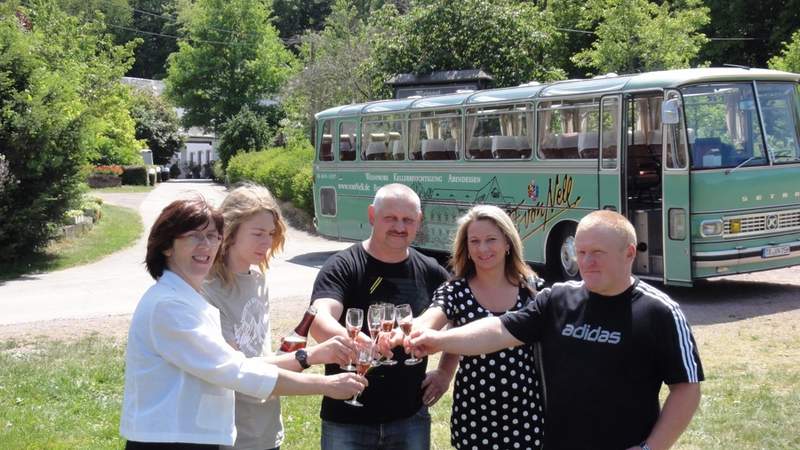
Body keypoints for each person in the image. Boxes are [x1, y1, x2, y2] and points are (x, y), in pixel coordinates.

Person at [409, 210, 704, 450]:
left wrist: (651, 448)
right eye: (581, 251)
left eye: (597, 253)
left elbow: (687, 387)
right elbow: (498, 330)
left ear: (629, 253)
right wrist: (437, 339)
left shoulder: (660, 311)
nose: (586, 262)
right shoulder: (557, 298)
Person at [120, 197, 367, 450]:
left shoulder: (187, 299)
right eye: (194, 236)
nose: (206, 245)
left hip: (194, 438)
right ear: (167, 246)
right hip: (167, 441)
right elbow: (236, 370)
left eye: (213, 236)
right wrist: (325, 383)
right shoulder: (169, 306)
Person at [203, 184, 357, 450]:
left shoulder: (258, 279)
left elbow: (255, 351)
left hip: (266, 427)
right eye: (258, 233)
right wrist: (311, 357)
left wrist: (285, 354)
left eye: (271, 233)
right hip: (229, 435)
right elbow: (236, 371)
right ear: (229, 231)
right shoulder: (208, 290)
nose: (267, 242)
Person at [308, 183, 452, 450]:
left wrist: (445, 372)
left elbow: (459, 320)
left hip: (410, 416)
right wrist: (355, 340)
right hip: (347, 418)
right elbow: (319, 319)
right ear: (372, 216)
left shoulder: (432, 271)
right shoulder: (343, 266)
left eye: (408, 220)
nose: (400, 226)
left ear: (419, 222)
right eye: (390, 218)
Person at [410, 205, 545, 450]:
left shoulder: (534, 290)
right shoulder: (455, 291)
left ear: (508, 243)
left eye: (491, 239)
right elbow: (432, 318)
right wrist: (411, 330)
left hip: (528, 413)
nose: (482, 249)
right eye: (475, 241)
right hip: (475, 414)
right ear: (467, 249)